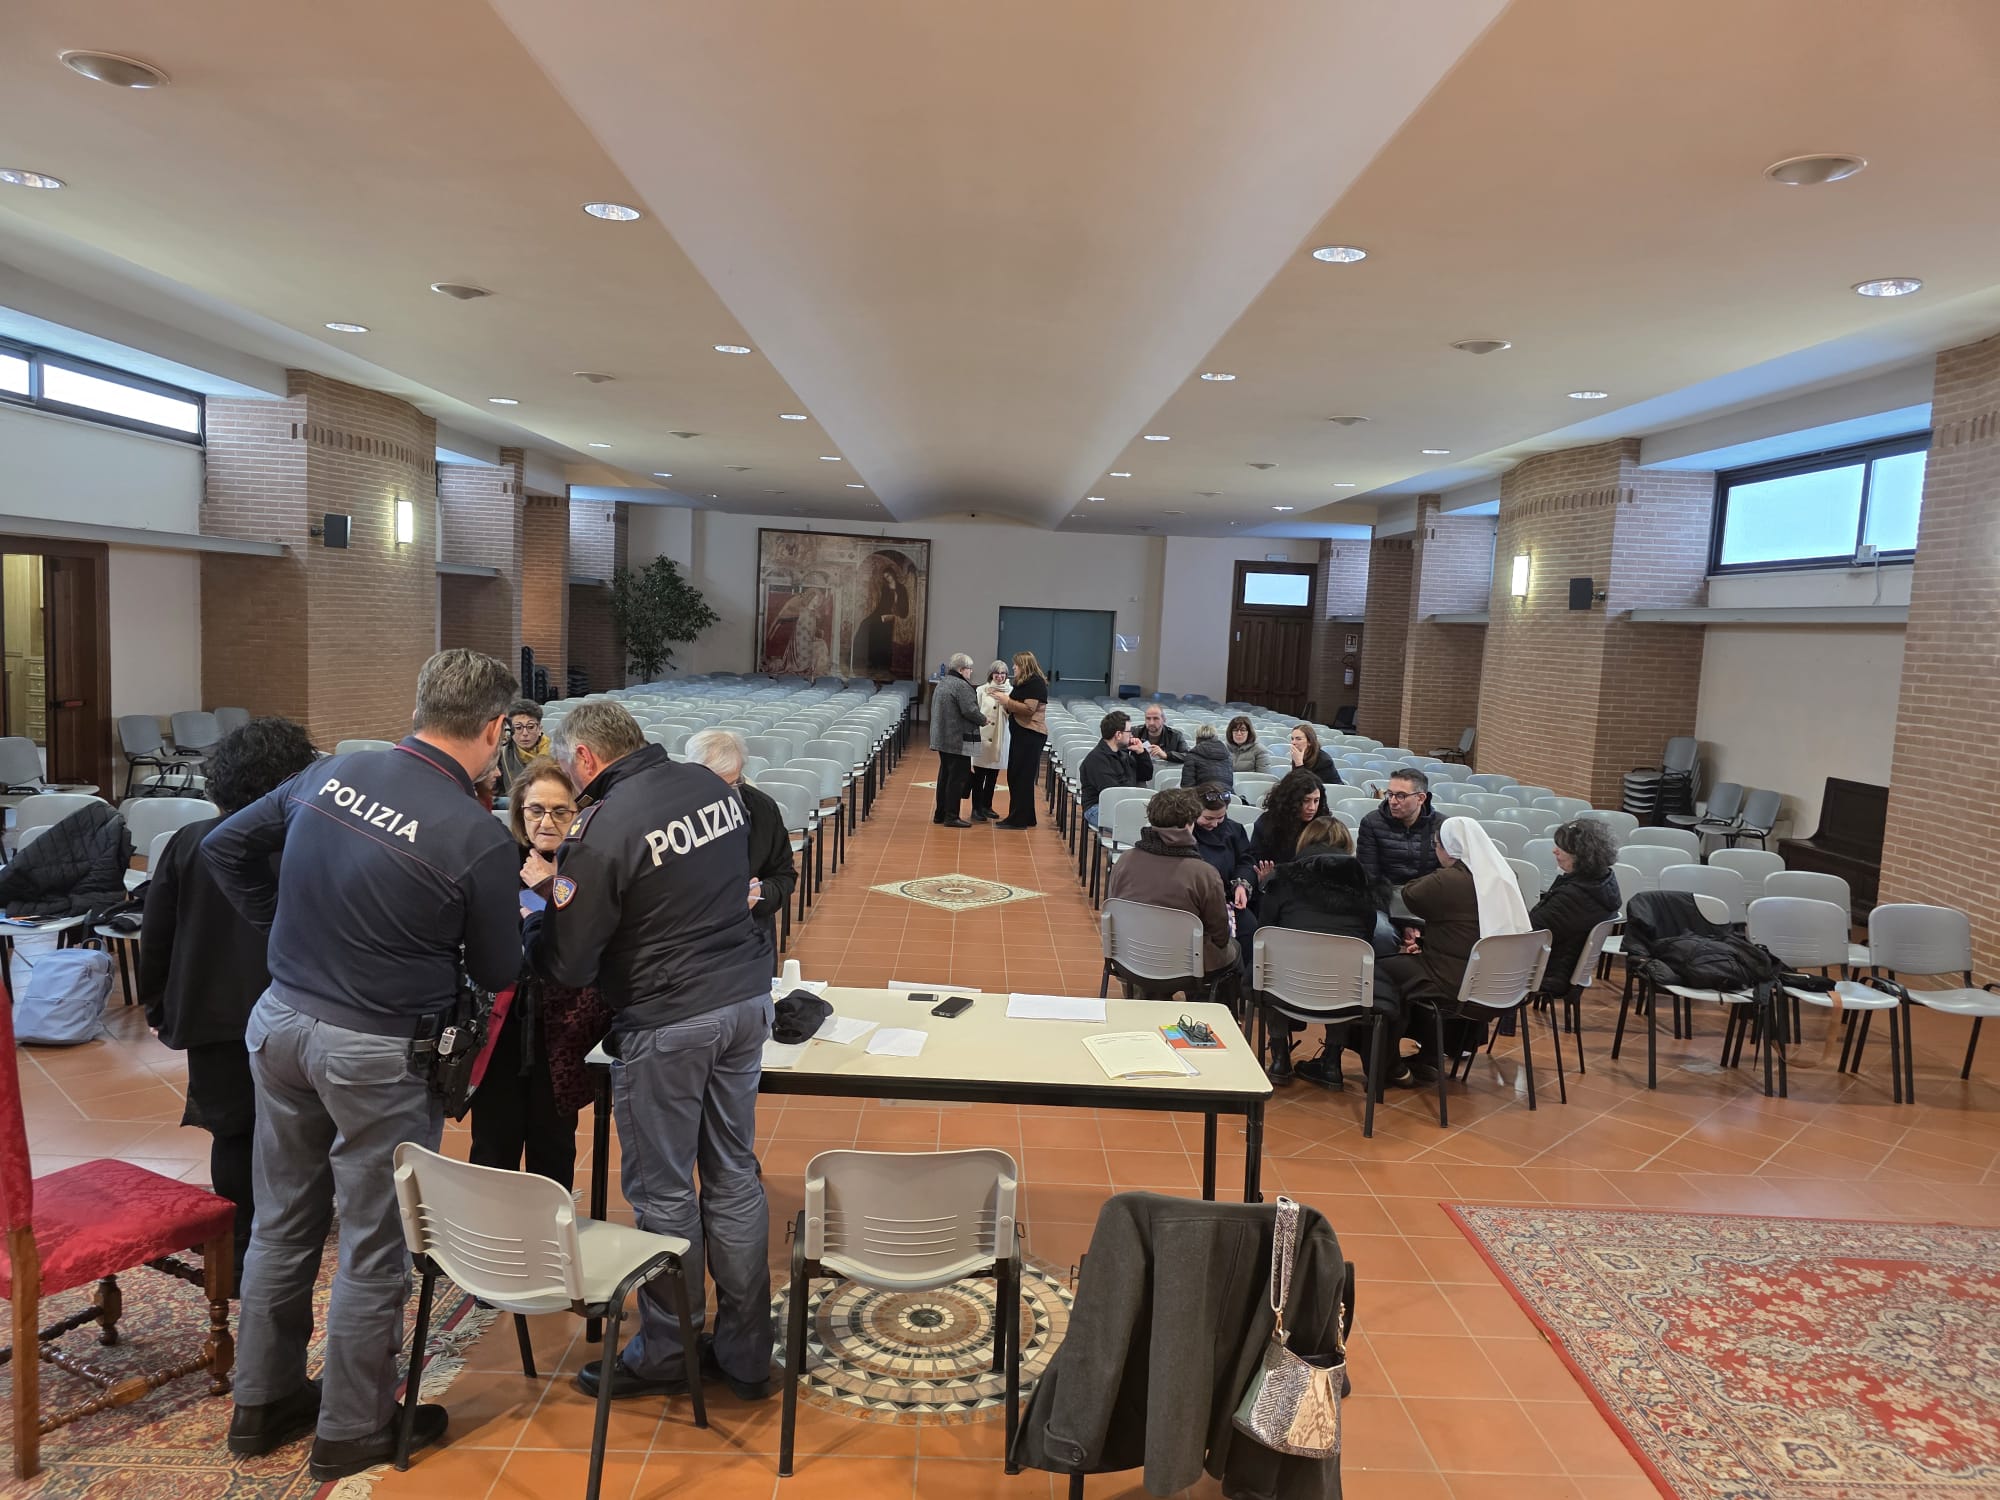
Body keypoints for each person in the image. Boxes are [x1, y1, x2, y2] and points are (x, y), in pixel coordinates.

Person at [204, 649, 522, 1480]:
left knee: (282, 1219)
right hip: (377, 1051)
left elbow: (224, 846)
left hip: (281, 1022)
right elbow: (498, 968)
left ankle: (262, 1402)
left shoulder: (332, 772)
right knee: (376, 1240)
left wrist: (287, 930)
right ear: (495, 729)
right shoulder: (475, 836)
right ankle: (353, 1426)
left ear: (419, 704)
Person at [523, 701, 777, 1405]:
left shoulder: (601, 830)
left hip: (670, 1020)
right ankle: (746, 1353)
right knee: (733, 1174)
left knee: (664, 1192)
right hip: (745, 999)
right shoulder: (708, 786)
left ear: (584, 758)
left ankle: (669, 1350)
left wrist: (536, 924)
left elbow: (570, 963)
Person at [138, 717, 320, 1283]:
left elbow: (157, 932)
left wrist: (157, 1004)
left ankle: (240, 1249)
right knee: (302, 1132)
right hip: (295, 1011)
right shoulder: (308, 841)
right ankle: (291, 1239)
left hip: (213, 1010)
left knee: (232, 1132)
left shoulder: (190, 841)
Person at [468, 757, 594, 1191]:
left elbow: (587, 940)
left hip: (563, 1029)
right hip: (501, 1023)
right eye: (536, 810)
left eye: (560, 811)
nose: (547, 821)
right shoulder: (499, 861)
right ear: (520, 811)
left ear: (577, 814)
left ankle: (548, 1231)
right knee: (492, 1147)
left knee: (553, 1149)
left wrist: (553, 885)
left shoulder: (588, 866)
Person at [1376, 817, 1532, 1082]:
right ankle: (1430, 1056)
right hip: (1503, 983)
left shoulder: (1449, 880)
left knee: (1380, 972)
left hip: (1457, 983)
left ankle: (1389, 1064)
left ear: (1449, 849)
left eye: (1437, 845)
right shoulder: (1506, 876)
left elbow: (1410, 894)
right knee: (1410, 968)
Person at [1257, 818, 1380, 1090]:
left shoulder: (1281, 879)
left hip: (1285, 987)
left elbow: (1264, 930)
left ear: (1305, 842)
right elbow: (1367, 936)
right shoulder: (1363, 885)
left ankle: (1279, 1058)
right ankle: (1332, 1063)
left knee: (1268, 964)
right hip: (1341, 991)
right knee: (1349, 968)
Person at [686, 728, 798, 966]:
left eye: (733, 783)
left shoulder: (761, 808)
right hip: (689, 943)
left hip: (749, 937)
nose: (724, 794)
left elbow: (784, 875)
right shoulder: (668, 813)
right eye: (714, 784)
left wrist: (759, 895)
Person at [1105, 787, 1236, 986]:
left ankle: (1148, 992)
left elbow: (1114, 909)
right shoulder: (1204, 873)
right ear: (1189, 824)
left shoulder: (1124, 861)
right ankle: (1206, 1003)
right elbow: (1219, 934)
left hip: (1130, 955)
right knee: (1234, 950)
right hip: (1187, 964)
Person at [1530, 818, 1622, 996]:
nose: (1554, 851)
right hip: (1565, 966)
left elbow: (1530, 932)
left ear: (1581, 855)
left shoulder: (1574, 896)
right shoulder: (1605, 881)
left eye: (1561, 848)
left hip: (1551, 972)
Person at [1356, 767, 1443, 893]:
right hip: (1385, 895)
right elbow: (1369, 875)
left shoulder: (1441, 825)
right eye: (1390, 794)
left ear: (1420, 798)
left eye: (1401, 796)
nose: (1392, 801)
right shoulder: (1371, 822)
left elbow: (1444, 876)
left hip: (1427, 895)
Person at [929, 653, 987, 827]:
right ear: (962, 669)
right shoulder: (961, 686)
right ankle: (951, 816)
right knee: (957, 779)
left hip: (943, 737)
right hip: (957, 739)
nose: (971, 672)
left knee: (945, 776)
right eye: (970, 669)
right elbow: (970, 710)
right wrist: (983, 719)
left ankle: (940, 814)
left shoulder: (943, 682)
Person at [994, 650, 1049, 830]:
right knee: (1018, 775)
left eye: (1016, 665)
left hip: (1030, 735)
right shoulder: (1024, 683)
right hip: (1022, 733)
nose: (1013, 667)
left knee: (1021, 776)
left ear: (1024, 665)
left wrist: (1006, 701)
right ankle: (1027, 816)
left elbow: (1028, 709)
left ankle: (1017, 819)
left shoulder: (1035, 683)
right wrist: (1006, 703)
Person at [1079, 710, 1154, 828]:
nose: (1131, 735)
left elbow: (1145, 776)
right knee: (1137, 825)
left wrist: (1141, 753)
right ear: (1118, 735)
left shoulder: (1122, 754)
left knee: (1155, 821)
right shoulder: (1096, 759)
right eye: (1129, 731)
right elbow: (1112, 793)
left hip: (1123, 803)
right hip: (1099, 807)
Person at [1248, 768, 1324, 877]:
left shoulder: (1323, 825)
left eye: (1316, 801)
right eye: (1306, 801)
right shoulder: (1266, 824)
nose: (1312, 807)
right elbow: (1255, 863)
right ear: (1291, 800)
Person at [969, 661, 1012, 822]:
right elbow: (976, 712)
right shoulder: (981, 690)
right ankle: (976, 809)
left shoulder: (1011, 691)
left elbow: (1012, 713)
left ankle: (987, 806)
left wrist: (1005, 701)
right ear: (991, 674)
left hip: (1000, 737)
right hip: (983, 736)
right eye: (997, 673)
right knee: (979, 776)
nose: (1000, 676)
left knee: (993, 775)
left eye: (1003, 673)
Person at [498, 698, 550, 790]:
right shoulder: (501, 755)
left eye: (530, 727)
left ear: (539, 729)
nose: (525, 733)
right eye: (518, 728)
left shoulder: (555, 754)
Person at [1177, 723, 1235, 796]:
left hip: (1203, 798)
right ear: (1216, 737)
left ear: (1197, 738)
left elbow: (1187, 787)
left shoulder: (1192, 756)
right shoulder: (1228, 756)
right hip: (1227, 797)